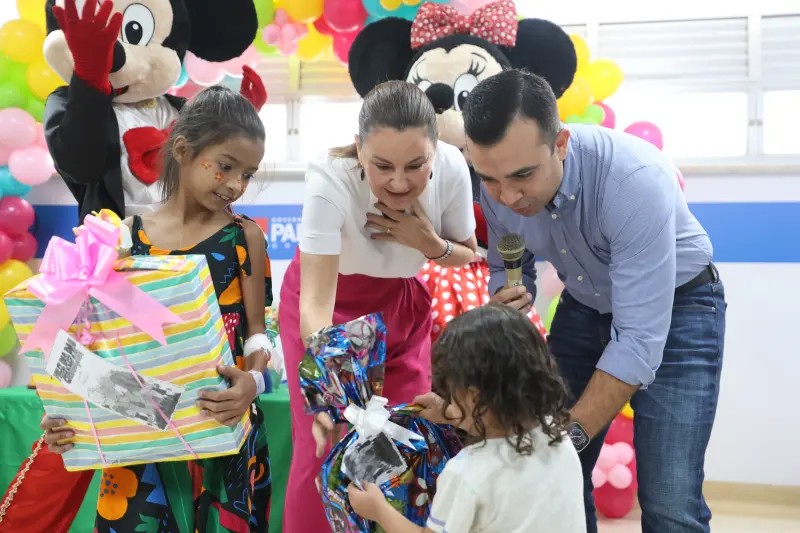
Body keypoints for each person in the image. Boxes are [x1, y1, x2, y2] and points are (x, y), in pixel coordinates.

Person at [462, 69, 726, 533]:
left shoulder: (634, 181)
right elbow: (510, 260)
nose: (507, 196)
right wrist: (509, 293)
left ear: (560, 143)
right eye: (490, 179)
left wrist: (557, 443)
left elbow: (638, 342)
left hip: (680, 307)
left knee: (669, 499)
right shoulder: (499, 183)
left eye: (523, 175)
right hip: (584, 305)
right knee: (557, 486)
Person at [38, 86, 274, 533]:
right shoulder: (124, 237)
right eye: (226, 166)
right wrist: (65, 413)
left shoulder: (245, 237)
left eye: (248, 174)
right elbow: (95, 342)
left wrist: (254, 382)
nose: (235, 185)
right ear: (183, 151)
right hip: (140, 439)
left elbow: (259, 332)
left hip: (222, 425)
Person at [279, 80, 478, 533]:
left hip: (401, 306)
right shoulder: (330, 179)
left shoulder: (452, 167)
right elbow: (316, 301)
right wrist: (330, 392)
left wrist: (429, 243)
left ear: (435, 149)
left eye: (416, 165)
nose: (399, 183)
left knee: (403, 442)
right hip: (330, 314)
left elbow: (467, 251)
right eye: (382, 166)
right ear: (359, 149)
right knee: (327, 445)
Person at [347, 303, 586, 533]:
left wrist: (379, 511)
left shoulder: (466, 473)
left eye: (451, 392)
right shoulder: (558, 435)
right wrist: (453, 413)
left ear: (473, 397)